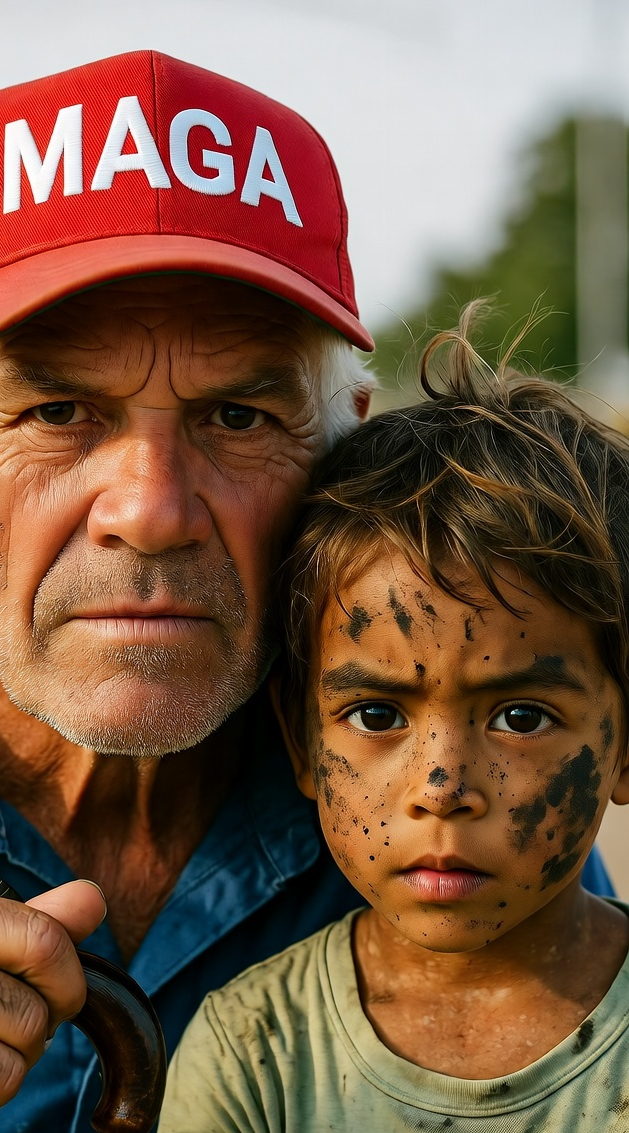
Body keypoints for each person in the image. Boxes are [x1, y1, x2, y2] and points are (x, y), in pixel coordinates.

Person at [0, 53, 610, 1132]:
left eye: (238, 417)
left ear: (334, 453)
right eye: (58, 412)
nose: (153, 509)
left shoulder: (438, 775)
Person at [158, 306, 629, 1131]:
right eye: (377, 713)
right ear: (303, 740)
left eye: (521, 717)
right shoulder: (252, 1053)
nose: (441, 787)